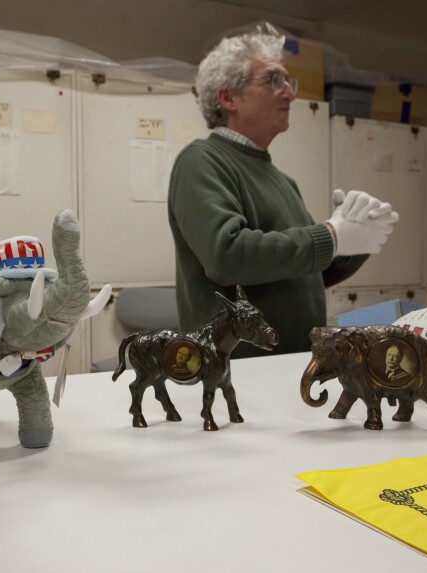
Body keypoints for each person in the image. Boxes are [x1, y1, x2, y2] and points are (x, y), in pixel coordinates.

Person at [168, 30, 399, 358]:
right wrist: (331, 236)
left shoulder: (283, 180)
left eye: (289, 82)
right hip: (238, 370)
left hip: (293, 360)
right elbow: (227, 256)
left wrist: (357, 240)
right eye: (273, 80)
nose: (289, 93)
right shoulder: (201, 161)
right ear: (229, 98)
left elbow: (307, 272)